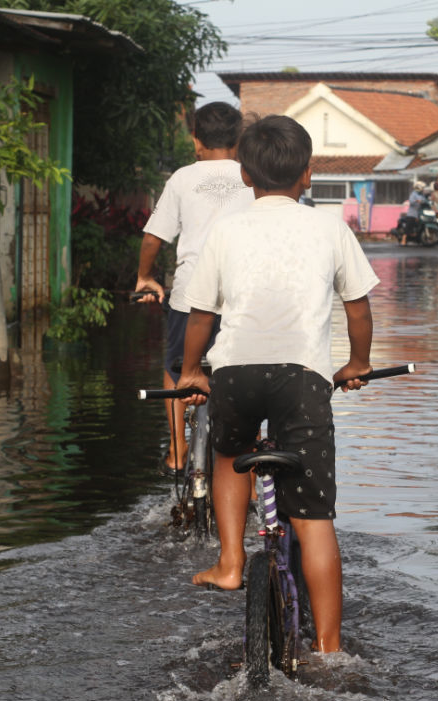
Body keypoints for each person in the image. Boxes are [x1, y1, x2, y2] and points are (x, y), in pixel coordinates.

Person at [175, 115, 379, 654]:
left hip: (236, 373)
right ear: (308, 174)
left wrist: (194, 370)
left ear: (245, 176)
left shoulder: (226, 230)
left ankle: (230, 563)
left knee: (229, 453)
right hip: (302, 379)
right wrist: (357, 363)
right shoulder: (330, 226)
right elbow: (358, 310)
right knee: (314, 519)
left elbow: (200, 314)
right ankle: (330, 650)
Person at [134, 102, 254, 476]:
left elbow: (154, 237)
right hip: (243, 297)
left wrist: (145, 277)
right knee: (247, 373)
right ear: (237, 141)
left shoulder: (182, 178)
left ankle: (177, 448)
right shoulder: (253, 176)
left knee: (174, 369)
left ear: (195, 140)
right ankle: (248, 469)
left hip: (190, 296)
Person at [400, 180, 426, 245]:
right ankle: (403, 240)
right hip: (412, 214)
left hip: (419, 213)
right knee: (409, 226)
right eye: (422, 188)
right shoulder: (413, 194)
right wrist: (417, 201)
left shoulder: (421, 194)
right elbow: (411, 201)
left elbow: (424, 200)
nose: (423, 189)